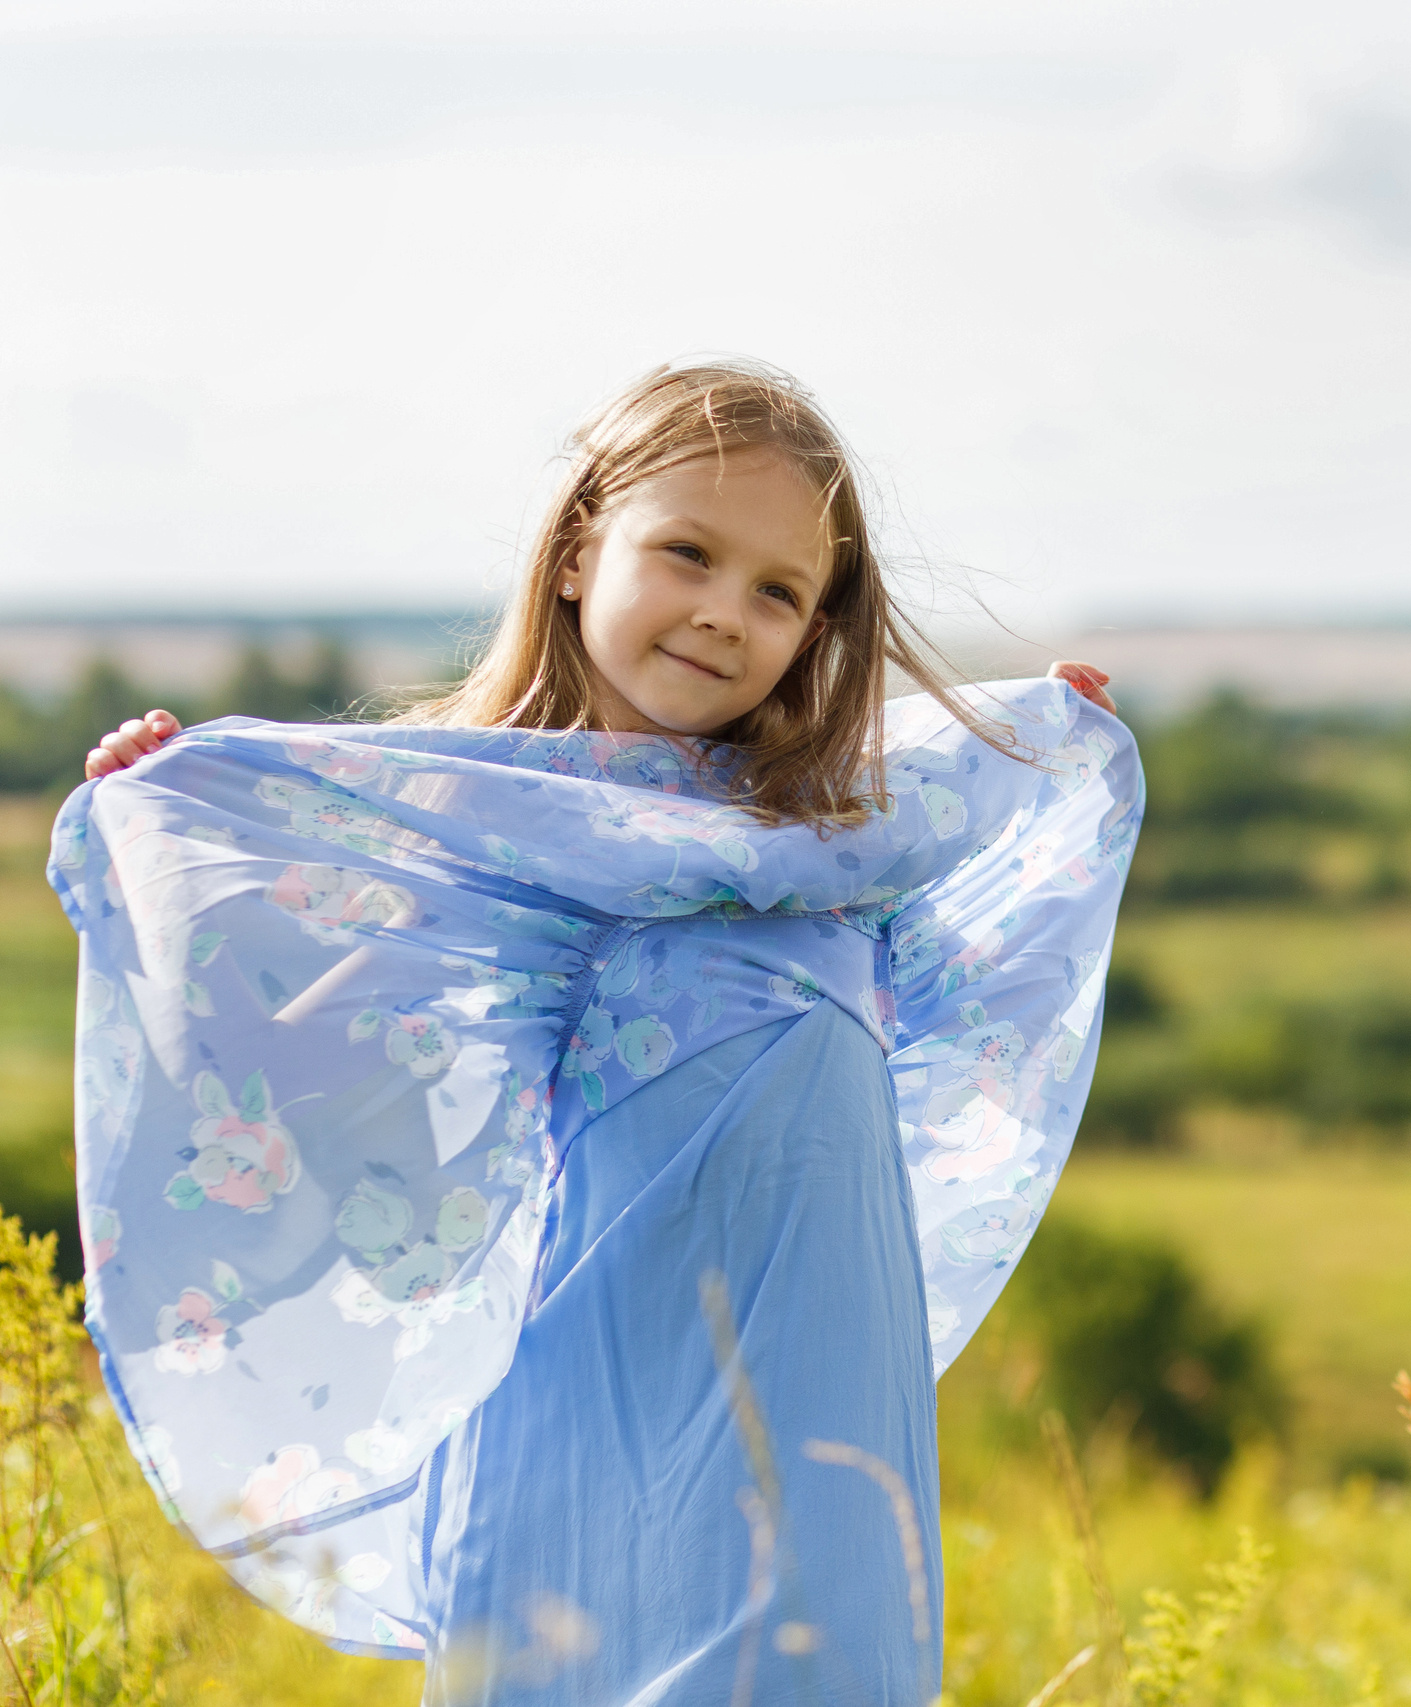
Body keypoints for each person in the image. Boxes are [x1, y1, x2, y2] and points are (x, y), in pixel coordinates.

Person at [60, 360, 1141, 1705]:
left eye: (778, 592)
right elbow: (298, 1060)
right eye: (686, 552)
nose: (721, 613)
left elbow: (998, 986)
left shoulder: (842, 840)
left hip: (816, 1436)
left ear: (817, 632)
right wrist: (182, 815)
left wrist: (1043, 755)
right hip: (562, 1418)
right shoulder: (454, 837)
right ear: (580, 552)